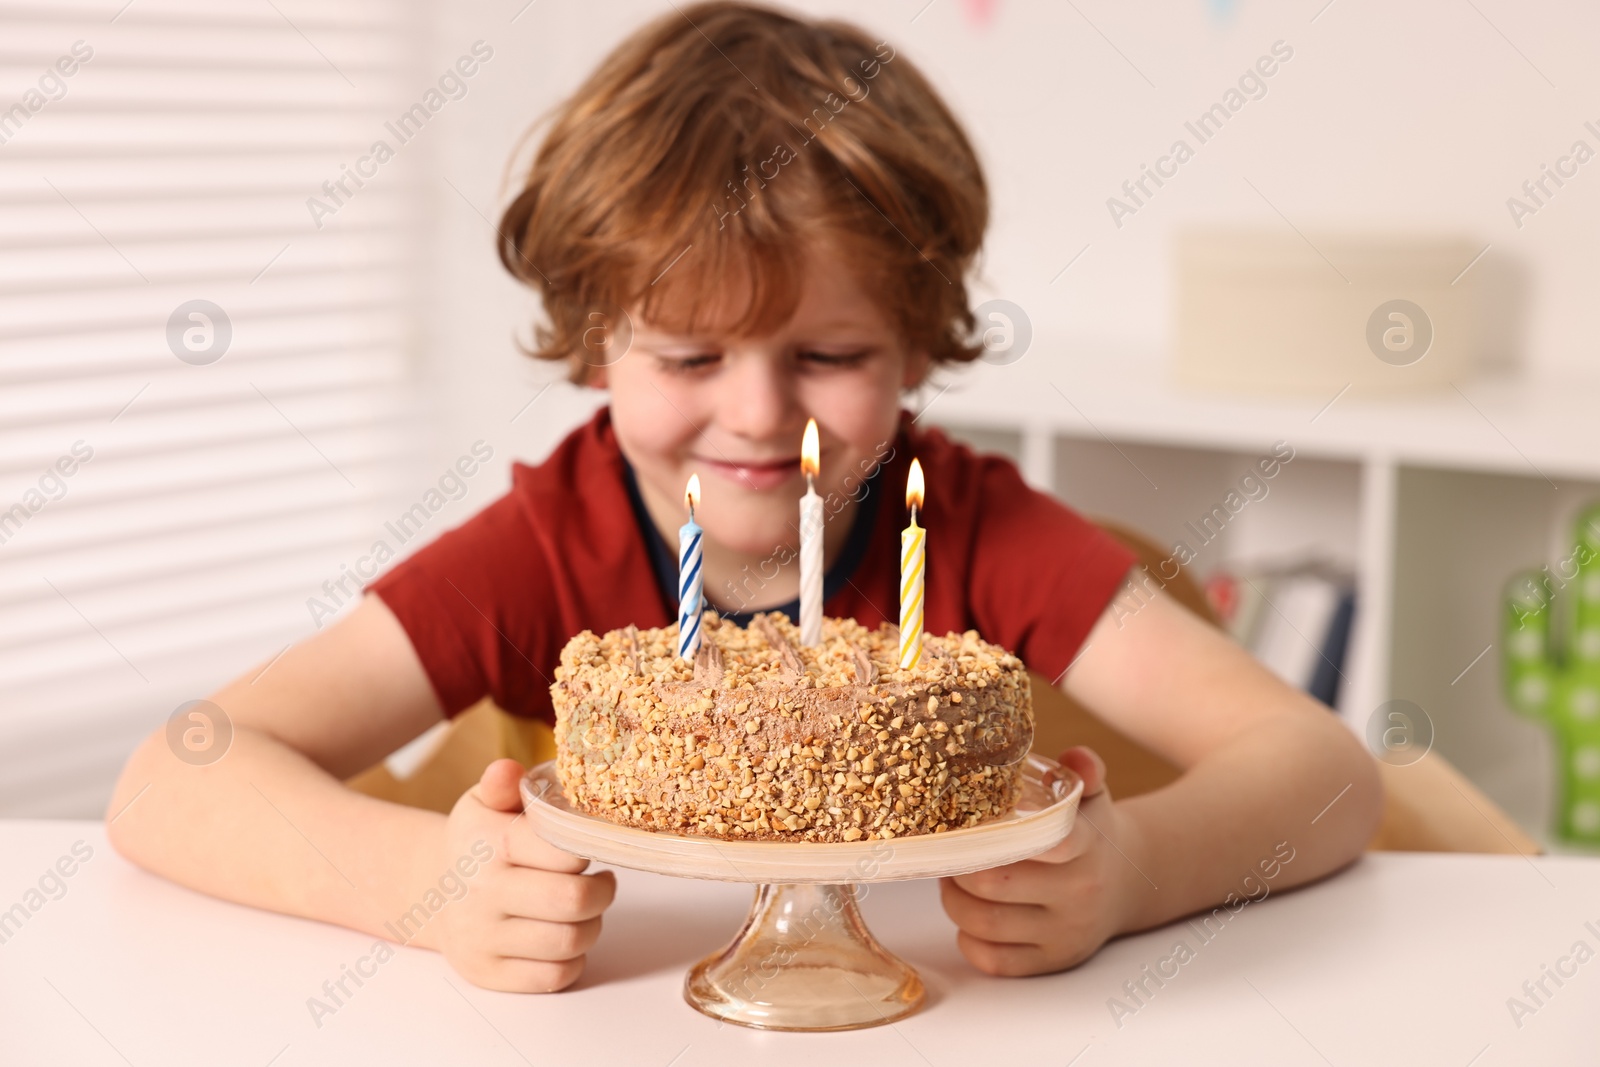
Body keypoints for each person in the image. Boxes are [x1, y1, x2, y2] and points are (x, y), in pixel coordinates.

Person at [107, 1, 1382, 994]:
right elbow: (174, 774)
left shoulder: (968, 523)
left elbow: (1322, 767)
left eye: (827, 355)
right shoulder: (551, 547)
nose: (763, 415)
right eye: (690, 356)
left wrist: (1133, 870)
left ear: (921, 343)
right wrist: (429, 884)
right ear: (594, 341)